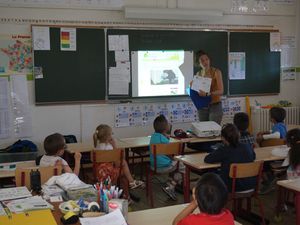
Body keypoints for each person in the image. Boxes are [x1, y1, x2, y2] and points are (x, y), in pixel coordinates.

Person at [204, 124, 256, 191]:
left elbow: (207, 159)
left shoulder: (223, 150)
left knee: (210, 175)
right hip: (250, 185)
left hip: (232, 186)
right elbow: (253, 156)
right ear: (239, 135)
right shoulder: (247, 146)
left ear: (223, 138)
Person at [93, 124, 144, 189]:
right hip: (109, 173)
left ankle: (127, 185)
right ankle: (131, 182)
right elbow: (117, 163)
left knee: (123, 169)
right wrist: (114, 146)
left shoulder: (97, 147)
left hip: (98, 173)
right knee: (124, 164)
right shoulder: (109, 148)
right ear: (108, 136)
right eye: (111, 134)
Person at [150, 115, 184, 200]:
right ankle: (171, 185)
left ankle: (170, 183)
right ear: (166, 128)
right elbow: (172, 152)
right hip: (165, 167)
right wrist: (167, 138)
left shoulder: (153, 137)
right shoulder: (164, 139)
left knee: (176, 164)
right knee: (183, 166)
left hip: (154, 166)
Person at [191, 50, 224, 124]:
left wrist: (207, 94)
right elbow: (196, 91)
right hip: (202, 106)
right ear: (198, 63)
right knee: (203, 129)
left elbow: (221, 91)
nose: (205, 62)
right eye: (202, 60)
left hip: (215, 105)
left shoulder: (216, 72)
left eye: (206, 59)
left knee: (213, 129)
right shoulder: (198, 74)